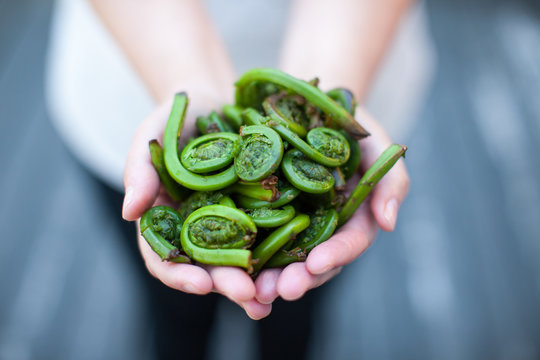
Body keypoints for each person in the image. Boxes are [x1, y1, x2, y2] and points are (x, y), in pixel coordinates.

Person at [48, 0, 411, 357]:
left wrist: (328, 77)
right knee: (175, 311)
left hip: (357, 42)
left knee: (295, 315)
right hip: (138, 62)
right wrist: (187, 81)